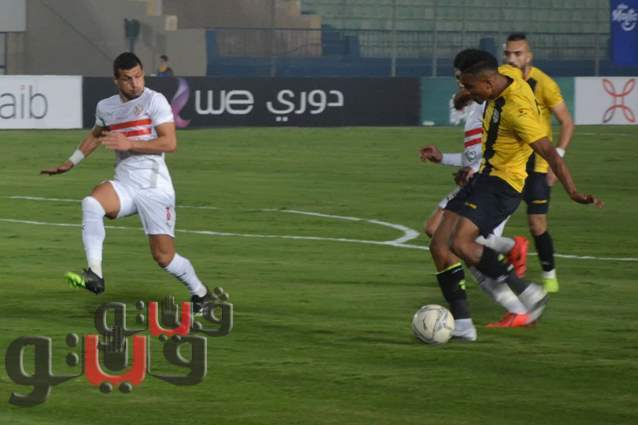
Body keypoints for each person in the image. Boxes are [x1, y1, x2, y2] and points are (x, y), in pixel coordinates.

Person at [429, 49, 602, 341]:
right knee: (438, 244)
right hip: (483, 177)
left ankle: (528, 291)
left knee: (460, 242)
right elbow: (493, 75)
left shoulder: (517, 113)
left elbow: (550, 153)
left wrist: (573, 191)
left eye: (469, 87)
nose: (467, 92)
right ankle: (463, 325)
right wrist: (464, 95)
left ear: (487, 84)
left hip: (503, 185)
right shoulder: (504, 74)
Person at [41, 52, 212, 313]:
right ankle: (95, 273)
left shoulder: (155, 100)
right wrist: (71, 162)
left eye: (138, 76)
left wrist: (129, 143)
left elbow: (169, 143)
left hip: (155, 187)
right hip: (125, 185)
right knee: (91, 203)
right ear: (116, 80)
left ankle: (200, 293)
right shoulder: (106, 107)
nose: (135, 83)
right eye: (127, 79)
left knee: (163, 257)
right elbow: (96, 135)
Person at [421, 80, 531, 331]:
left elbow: (503, 148)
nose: (460, 85)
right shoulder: (474, 111)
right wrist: (442, 158)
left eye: (465, 81)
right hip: (474, 183)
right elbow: (471, 156)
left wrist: (477, 170)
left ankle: (517, 309)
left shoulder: (490, 106)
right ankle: (510, 247)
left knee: (468, 251)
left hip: (490, 186)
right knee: (435, 230)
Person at [504, 33, 575, 293]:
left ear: (529, 56)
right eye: (508, 53)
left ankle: (549, 276)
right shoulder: (502, 79)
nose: (512, 58)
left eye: (518, 53)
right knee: (488, 219)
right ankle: (506, 258)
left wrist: (558, 159)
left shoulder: (543, 83)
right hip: (508, 163)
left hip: (537, 165)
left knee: (537, 223)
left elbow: (567, 122)